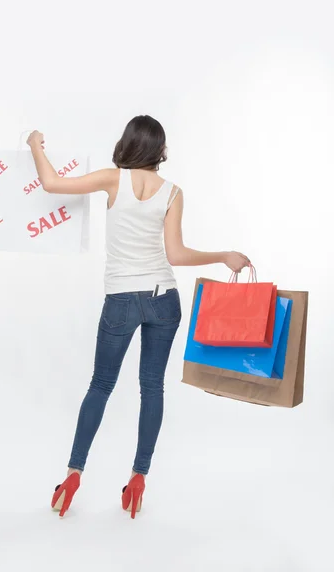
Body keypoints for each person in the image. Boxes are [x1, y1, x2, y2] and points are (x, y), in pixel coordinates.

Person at [27, 115, 250, 519]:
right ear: (160, 150)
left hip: (121, 300)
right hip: (164, 300)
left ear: (128, 143)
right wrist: (222, 255)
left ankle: (73, 474)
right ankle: (138, 479)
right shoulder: (173, 192)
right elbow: (176, 256)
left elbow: (52, 184)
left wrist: (34, 145)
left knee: (101, 385)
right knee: (153, 389)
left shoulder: (115, 179)